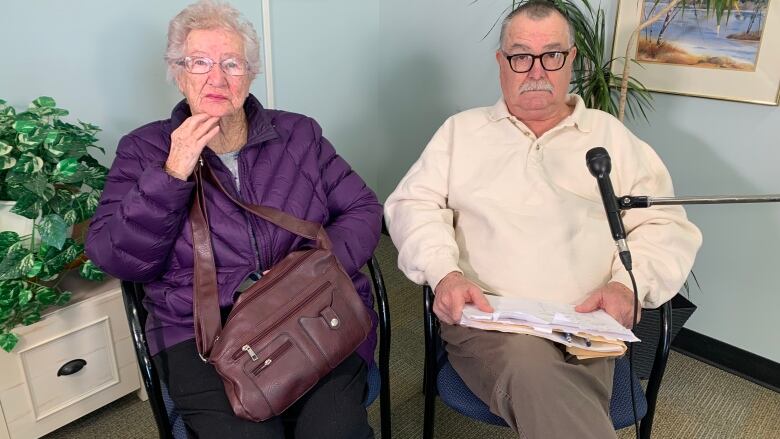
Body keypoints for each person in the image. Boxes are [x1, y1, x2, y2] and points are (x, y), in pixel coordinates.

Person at [384, 2, 702, 438]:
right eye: (520, 56)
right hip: (491, 320)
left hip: (587, 326)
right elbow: (410, 207)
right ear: (501, 64)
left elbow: (665, 225)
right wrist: (444, 274)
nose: (536, 70)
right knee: (532, 368)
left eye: (552, 55)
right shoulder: (461, 133)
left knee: (554, 390)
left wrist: (628, 286)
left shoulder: (609, 137)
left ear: (571, 61)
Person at [85, 1, 381, 437]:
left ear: (251, 73)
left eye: (232, 63)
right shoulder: (143, 150)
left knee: (334, 429)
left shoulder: (299, 133)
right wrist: (171, 175)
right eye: (200, 62)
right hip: (201, 335)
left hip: (313, 309)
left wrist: (310, 274)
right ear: (177, 71)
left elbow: (363, 209)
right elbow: (119, 259)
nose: (217, 77)